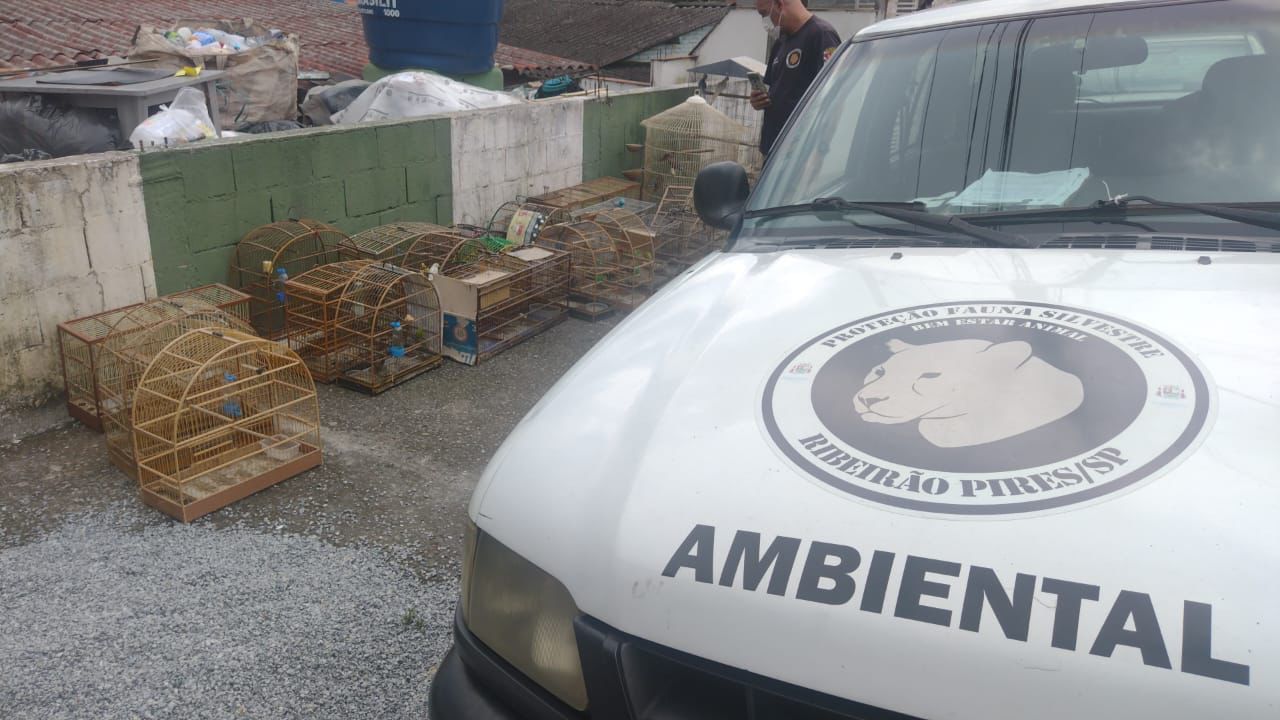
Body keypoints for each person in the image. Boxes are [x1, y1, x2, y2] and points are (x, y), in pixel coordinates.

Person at [751, 0, 842, 156]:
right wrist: (758, 100)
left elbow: (835, 98)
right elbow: (774, 90)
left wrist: (820, 151)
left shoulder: (822, 35)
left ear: (779, 5)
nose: (764, 21)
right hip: (773, 150)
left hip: (801, 154)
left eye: (764, 14)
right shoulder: (780, 42)